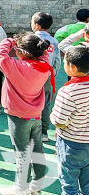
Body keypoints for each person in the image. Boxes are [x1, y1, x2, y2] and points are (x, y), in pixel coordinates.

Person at [0, 33, 52, 195]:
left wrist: (11, 40)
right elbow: (44, 52)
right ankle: (36, 190)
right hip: (36, 115)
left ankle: (20, 190)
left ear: (21, 52)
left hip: (18, 116)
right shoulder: (44, 65)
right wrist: (20, 43)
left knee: (21, 153)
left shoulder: (15, 66)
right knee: (37, 151)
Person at [49, 46, 89, 195]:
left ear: (71, 66)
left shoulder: (68, 91)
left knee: (70, 187)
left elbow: (58, 120)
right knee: (87, 188)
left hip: (72, 144)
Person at [31, 12, 61, 143]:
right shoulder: (54, 41)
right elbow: (57, 62)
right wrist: (52, 74)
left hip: (31, 76)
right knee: (45, 103)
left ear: (37, 25)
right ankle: (44, 131)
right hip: (47, 76)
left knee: (30, 102)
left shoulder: (30, 39)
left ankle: (31, 130)